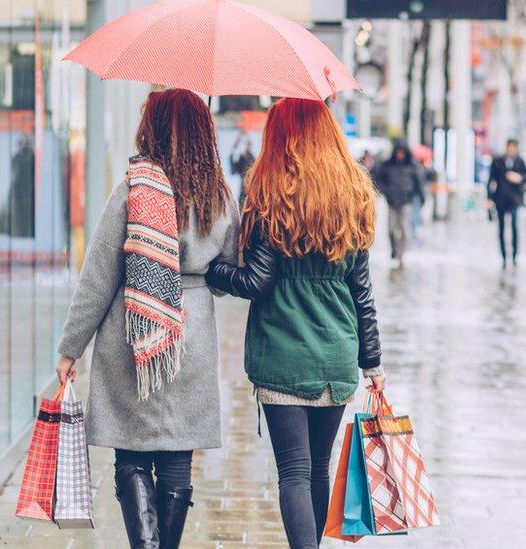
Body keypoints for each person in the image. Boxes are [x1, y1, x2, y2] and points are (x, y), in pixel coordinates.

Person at [54, 88, 238, 549]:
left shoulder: (134, 191)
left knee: (132, 453)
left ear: (150, 130)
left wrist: (69, 348)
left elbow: (98, 277)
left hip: (133, 333)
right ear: (203, 134)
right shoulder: (218, 195)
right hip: (190, 334)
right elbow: (227, 274)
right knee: (178, 453)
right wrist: (197, 270)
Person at [205, 98, 386, 549]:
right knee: (316, 469)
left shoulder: (270, 196)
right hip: (336, 355)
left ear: (279, 137)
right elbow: (361, 292)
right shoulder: (353, 194)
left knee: (293, 472)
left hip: (283, 354)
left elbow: (254, 281)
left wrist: (211, 269)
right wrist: (374, 363)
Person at [372, 141, 425, 267]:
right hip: (392, 202)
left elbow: (418, 183)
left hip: (407, 202)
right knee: (391, 229)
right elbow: (378, 180)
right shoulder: (387, 166)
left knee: (404, 229)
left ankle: (401, 254)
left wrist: (420, 197)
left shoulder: (412, 166)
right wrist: (386, 191)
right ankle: (394, 250)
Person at [487, 138, 526, 268]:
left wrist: (519, 178)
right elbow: (491, 181)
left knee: (514, 226)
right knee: (501, 228)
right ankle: (504, 256)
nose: (511, 149)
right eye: (509, 147)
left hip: (514, 199)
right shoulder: (497, 161)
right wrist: (489, 198)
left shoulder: (520, 161)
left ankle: (515, 255)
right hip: (500, 199)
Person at [231, 132, 256, 208]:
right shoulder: (243, 159)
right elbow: (233, 170)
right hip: (244, 190)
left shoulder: (252, 159)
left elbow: (234, 170)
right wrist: (234, 149)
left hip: (250, 190)